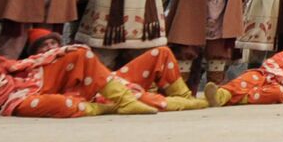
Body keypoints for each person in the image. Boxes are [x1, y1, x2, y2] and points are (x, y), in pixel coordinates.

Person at [0, 13, 155, 118]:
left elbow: (17, 65)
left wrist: (55, 54)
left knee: (80, 51)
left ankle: (127, 101)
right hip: (12, 104)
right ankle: (116, 107)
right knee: (62, 104)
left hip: (25, 83)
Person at [26, 29, 206, 111]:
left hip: (109, 80)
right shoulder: (36, 68)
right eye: (43, 46)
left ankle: (185, 96)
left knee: (162, 53)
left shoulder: (68, 54)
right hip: (95, 94)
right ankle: (199, 104)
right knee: (142, 99)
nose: (50, 48)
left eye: (53, 43)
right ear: (34, 53)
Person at [205, 28, 283, 107]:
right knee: (248, 78)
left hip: (281, 89)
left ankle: (229, 99)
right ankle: (220, 95)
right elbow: (270, 63)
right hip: (267, 77)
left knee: (278, 94)